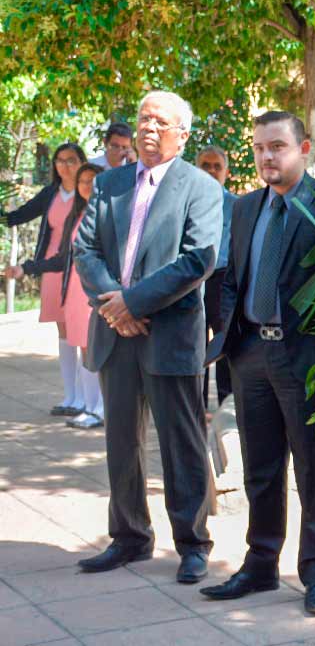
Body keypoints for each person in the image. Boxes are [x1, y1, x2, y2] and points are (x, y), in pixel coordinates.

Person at [73, 90, 222, 584]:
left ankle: (193, 543)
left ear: (183, 133)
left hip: (169, 332)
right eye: (143, 118)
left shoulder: (199, 187)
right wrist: (116, 303)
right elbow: (86, 249)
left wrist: (133, 303)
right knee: (121, 442)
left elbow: (197, 259)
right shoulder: (111, 183)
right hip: (116, 333)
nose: (149, 128)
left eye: (161, 121)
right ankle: (129, 536)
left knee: (181, 442)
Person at [199, 112, 315, 616]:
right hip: (251, 353)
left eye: (277, 146)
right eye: (259, 147)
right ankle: (260, 564)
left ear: (302, 147)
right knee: (260, 468)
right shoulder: (243, 207)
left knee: (314, 468)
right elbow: (231, 276)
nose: (267, 156)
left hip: (307, 358)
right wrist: (229, 338)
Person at [7, 163, 108, 428]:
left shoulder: (108, 215)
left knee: (92, 349)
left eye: (93, 180)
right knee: (83, 350)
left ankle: (100, 408)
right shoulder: (77, 215)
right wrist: (26, 268)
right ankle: (89, 406)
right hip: (73, 292)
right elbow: (62, 259)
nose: (87, 185)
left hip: (93, 291)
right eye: (83, 181)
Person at [3, 143, 87, 417]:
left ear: (81, 162)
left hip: (77, 265)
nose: (65, 166)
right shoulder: (51, 192)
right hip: (51, 265)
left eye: (71, 160)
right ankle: (71, 397)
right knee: (63, 332)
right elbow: (20, 215)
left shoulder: (88, 192)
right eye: (60, 161)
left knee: (81, 331)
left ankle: (88, 401)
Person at [196, 144, 236, 409]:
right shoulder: (188, 202)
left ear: (226, 171)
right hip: (194, 281)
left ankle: (227, 406)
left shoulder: (236, 205)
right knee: (196, 343)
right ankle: (196, 407)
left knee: (224, 343)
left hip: (223, 280)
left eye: (216, 166)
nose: (211, 171)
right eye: (205, 166)